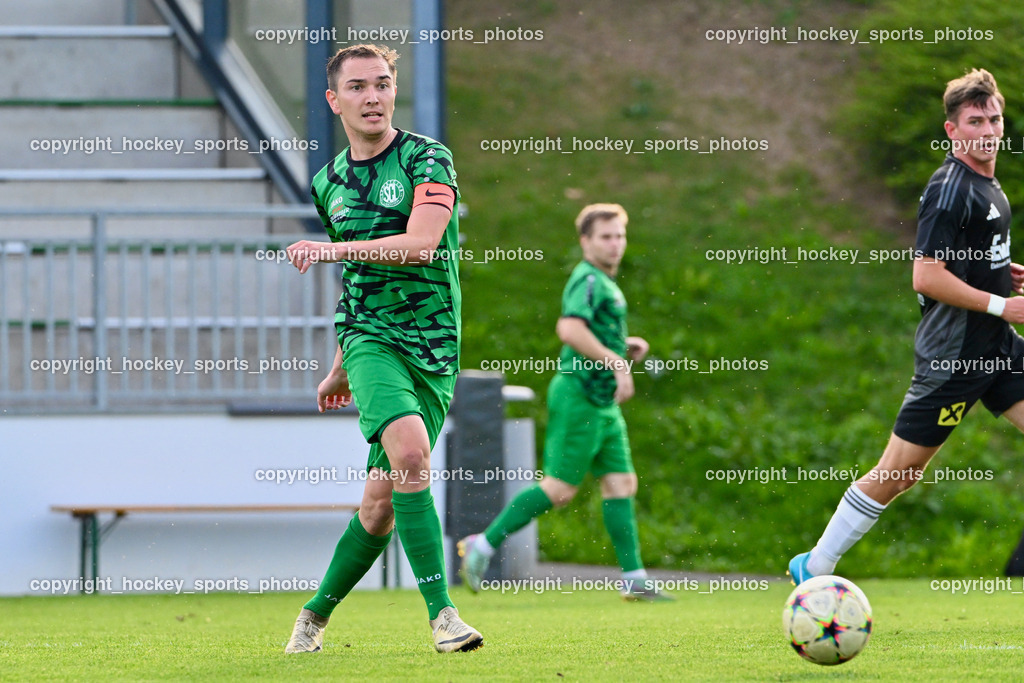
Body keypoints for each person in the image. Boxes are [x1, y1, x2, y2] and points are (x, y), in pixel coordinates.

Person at [282, 44, 482, 654]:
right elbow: (360, 285)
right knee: (413, 457)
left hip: (434, 345)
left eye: (384, 84)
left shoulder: (427, 158)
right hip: (370, 337)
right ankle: (444, 617)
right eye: (359, 86)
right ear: (333, 100)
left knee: (378, 507)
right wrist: (344, 363)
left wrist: (329, 250)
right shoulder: (328, 184)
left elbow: (421, 244)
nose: (373, 96)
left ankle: (312, 619)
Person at [789, 68, 1024, 584]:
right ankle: (816, 563)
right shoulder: (949, 189)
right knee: (899, 472)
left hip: (998, 349)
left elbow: (961, 257)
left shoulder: (989, 184)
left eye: (995, 119)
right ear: (952, 131)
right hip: (955, 356)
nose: (988, 130)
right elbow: (925, 274)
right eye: (975, 121)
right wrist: (998, 304)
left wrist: (999, 271)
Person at [458, 203, 671, 601]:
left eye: (620, 236)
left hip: (601, 400)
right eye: (606, 236)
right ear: (585, 241)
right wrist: (617, 364)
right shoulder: (587, 278)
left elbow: (590, 335)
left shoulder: (605, 282)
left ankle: (635, 579)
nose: (615, 244)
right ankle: (482, 545)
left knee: (621, 483)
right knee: (559, 489)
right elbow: (569, 328)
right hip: (580, 397)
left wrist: (623, 349)